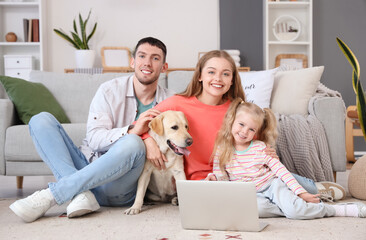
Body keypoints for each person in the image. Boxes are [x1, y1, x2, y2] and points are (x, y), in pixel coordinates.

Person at [9, 37, 175, 223]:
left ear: (164, 66)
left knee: (133, 143)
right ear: (132, 62)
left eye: (155, 58)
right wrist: (137, 131)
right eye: (142, 56)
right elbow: (95, 139)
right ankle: (81, 195)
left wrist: (140, 138)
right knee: (41, 120)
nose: (147, 63)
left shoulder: (171, 103)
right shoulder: (109, 91)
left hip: (119, 187)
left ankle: (56, 193)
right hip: (85, 165)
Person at [142, 50, 326, 199]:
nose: (218, 78)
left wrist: (268, 149)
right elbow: (141, 124)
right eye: (211, 72)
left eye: (225, 74)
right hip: (200, 181)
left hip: (236, 177)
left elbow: (254, 136)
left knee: (289, 186)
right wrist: (149, 142)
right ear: (199, 76)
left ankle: (321, 189)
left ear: (232, 80)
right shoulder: (177, 104)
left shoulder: (236, 108)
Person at [206, 99, 366, 219]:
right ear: (231, 121)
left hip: (271, 186)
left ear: (256, 132)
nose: (244, 132)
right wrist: (215, 179)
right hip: (249, 193)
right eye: (241, 124)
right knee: (255, 211)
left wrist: (301, 193)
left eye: (251, 129)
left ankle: (335, 210)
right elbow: (221, 175)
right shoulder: (222, 148)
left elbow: (281, 172)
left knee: (296, 211)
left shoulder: (259, 148)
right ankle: (292, 206)